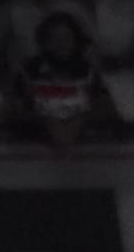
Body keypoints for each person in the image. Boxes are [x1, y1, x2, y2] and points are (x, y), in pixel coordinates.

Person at [13, 11, 114, 149]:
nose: (61, 44)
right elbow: (12, 110)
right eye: (55, 39)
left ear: (75, 41)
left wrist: (79, 119)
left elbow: (106, 107)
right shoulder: (30, 71)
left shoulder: (87, 71)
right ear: (44, 42)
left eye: (67, 38)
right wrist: (44, 119)